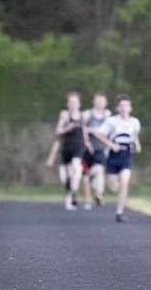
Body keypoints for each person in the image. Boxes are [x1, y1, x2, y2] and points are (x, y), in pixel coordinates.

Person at [97, 94, 141, 222]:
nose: (124, 108)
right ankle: (110, 188)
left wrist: (137, 145)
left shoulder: (134, 122)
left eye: (126, 106)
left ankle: (119, 212)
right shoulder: (112, 121)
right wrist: (111, 145)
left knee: (125, 182)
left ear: (130, 108)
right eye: (121, 106)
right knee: (113, 188)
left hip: (126, 155)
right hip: (113, 155)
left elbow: (134, 135)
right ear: (117, 108)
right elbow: (100, 134)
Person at [54, 91, 94, 211]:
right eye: (71, 102)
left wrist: (88, 143)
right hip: (67, 148)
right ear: (67, 104)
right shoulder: (65, 115)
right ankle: (70, 191)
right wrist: (67, 128)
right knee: (66, 178)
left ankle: (74, 195)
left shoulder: (83, 116)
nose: (73, 104)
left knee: (76, 168)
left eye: (75, 102)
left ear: (79, 104)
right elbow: (58, 130)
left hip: (78, 146)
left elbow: (84, 130)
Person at [82, 93, 113, 210]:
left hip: (100, 148)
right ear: (93, 102)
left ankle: (99, 194)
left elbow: (109, 131)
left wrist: (108, 145)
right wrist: (87, 142)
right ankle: (87, 199)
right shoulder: (87, 114)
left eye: (102, 101)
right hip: (87, 149)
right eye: (97, 101)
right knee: (86, 177)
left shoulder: (107, 115)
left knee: (99, 170)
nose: (100, 104)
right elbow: (82, 128)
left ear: (106, 103)